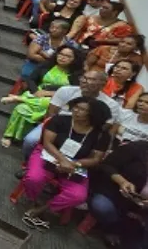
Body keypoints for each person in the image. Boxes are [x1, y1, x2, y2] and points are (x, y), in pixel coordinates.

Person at [20, 98, 110, 229]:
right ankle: (32, 201)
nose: (76, 110)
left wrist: (74, 164)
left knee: (78, 195)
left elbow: (96, 159)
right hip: (49, 154)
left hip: (77, 164)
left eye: (82, 110)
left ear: (93, 114)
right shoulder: (60, 120)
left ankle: (44, 209)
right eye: (76, 107)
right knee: (34, 178)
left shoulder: (101, 135)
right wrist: (63, 160)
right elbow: (47, 143)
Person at [20, 71, 121, 160]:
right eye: (83, 78)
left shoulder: (112, 105)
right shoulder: (65, 91)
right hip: (57, 126)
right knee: (30, 140)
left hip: (87, 134)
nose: (84, 81)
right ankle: (29, 163)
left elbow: (104, 127)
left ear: (103, 84)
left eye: (91, 79)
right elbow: (51, 114)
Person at [0, 46, 84, 146]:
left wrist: (48, 94)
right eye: (61, 54)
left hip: (57, 101)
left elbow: (73, 93)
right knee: (21, 108)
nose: (62, 57)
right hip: (37, 95)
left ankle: (19, 98)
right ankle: (9, 136)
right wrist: (36, 91)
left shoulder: (76, 75)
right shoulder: (47, 65)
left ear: (74, 59)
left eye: (67, 56)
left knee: (49, 102)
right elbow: (31, 80)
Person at [89, 139, 148, 248]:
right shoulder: (138, 148)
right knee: (102, 206)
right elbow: (106, 165)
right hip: (117, 191)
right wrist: (122, 181)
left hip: (143, 207)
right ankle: (112, 229)